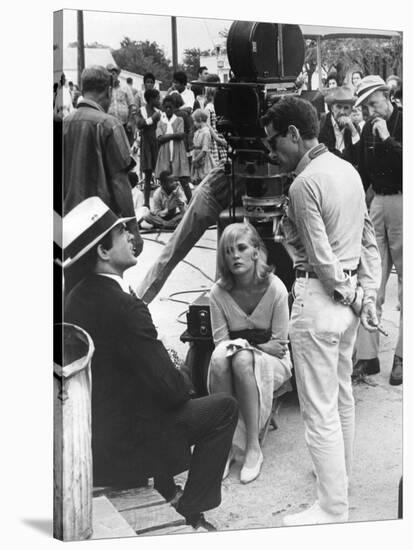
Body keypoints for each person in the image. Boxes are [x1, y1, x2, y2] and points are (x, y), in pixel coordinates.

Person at [63, 196, 238, 532]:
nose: (132, 237)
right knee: (223, 408)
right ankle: (191, 507)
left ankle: (167, 487)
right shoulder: (126, 308)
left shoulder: (75, 297)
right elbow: (171, 391)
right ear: (102, 252)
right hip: (123, 451)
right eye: (121, 233)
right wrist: (182, 374)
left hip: (92, 437)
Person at [261, 96, 381, 525]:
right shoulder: (347, 169)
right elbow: (367, 243)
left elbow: (322, 259)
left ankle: (332, 507)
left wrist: (351, 294)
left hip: (320, 298)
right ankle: (339, 481)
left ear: (294, 134)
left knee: (318, 408)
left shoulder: (302, 183)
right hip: (346, 304)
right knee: (341, 397)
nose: (272, 154)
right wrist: (365, 295)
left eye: (275, 143)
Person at [208, 223, 292, 484]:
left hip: (275, 362)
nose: (235, 256)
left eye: (241, 248)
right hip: (236, 358)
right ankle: (226, 447)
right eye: (228, 251)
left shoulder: (275, 288)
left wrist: (246, 348)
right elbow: (221, 344)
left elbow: (279, 345)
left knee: (241, 359)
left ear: (256, 251)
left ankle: (253, 448)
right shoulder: (218, 293)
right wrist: (255, 346)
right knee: (224, 360)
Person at [62, 65, 142, 292]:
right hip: (101, 226)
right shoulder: (109, 124)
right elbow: (119, 181)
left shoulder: (63, 124)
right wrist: (133, 228)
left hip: (69, 224)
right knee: (105, 288)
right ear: (107, 90)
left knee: (75, 289)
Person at [352, 75, 402, 385]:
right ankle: (367, 356)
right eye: (367, 107)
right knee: (371, 277)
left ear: (388, 95)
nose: (372, 111)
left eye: (374, 103)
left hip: (403, 198)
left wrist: (387, 140)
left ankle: (401, 356)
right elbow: (359, 166)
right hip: (377, 202)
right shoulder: (369, 127)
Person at [154, 95, 191, 199]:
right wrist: (174, 135)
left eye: (171, 107)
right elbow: (160, 138)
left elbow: (181, 135)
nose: (168, 109)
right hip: (165, 153)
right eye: (166, 107)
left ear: (174, 108)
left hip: (177, 152)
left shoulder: (179, 119)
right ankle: (168, 204)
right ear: (163, 108)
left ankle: (190, 201)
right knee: (166, 180)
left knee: (183, 179)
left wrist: (167, 136)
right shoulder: (161, 122)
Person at [318, 86, 360, 166]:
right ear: (332, 108)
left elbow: (358, 157)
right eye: (339, 107)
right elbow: (327, 156)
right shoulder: (322, 124)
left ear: (351, 110)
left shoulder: (354, 127)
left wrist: (353, 131)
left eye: (346, 108)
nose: (342, 112)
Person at [136, 88, 161, 211]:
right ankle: (146, 203)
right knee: (147, 175)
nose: (159, 100)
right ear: (151, 99)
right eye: (157, 98)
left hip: (156, 144)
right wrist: (152, 119)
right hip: (147, 144)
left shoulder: (159, 111)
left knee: (161, 173)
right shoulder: (142, 110)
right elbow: (139, 124)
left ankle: (163, 201)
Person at [106, 63, 137, 146]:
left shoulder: (125, 87)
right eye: (109, 73)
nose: (112, 76)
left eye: (113, 73)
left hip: (124, 124)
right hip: (110, 126)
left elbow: (132, 106)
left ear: (117, 74)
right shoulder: (105, 89)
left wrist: (130, 121)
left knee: (125, 147)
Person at [191, 109, 216, 185]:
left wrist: (195, 160)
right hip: (197, 157)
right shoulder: (198, 131)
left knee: (204, 180)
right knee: (198, 181)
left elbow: (204, 150)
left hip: (202, 159)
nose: (194, 123)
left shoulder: (206, 132)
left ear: (200, 119)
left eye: (195, 121)